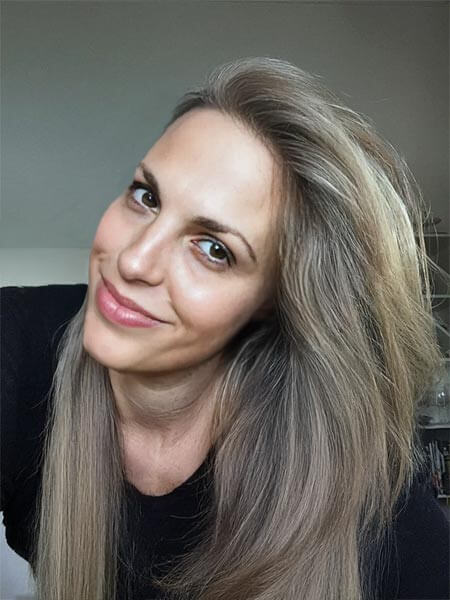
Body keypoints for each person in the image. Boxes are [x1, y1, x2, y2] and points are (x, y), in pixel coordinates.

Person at [1, 56, 449, 600]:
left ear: (272, 303)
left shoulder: (367, 502)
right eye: (146, 197)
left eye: (214, 249)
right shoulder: (19, 344)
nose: (134, 261)